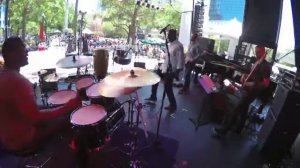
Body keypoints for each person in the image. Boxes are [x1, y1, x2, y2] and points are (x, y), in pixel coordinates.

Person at [0, 37, 82, 153]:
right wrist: (66, 108)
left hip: (8, 136)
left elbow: (28, 112)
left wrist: (56, 109)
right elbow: (35, 117)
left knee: (52, 109)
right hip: (21, 140)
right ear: (11, 54)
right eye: (23, 48)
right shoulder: (17, 81)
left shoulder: (3, 74)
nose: (27, 51)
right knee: (71, 118)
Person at [212, 45, 271, 137]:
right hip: (248, 90)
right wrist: (245, 76)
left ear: (264, 52)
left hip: (252, 92)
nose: (257, 54)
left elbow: (266, 83)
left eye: (258, 52)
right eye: (256, 52)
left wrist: (251, 84)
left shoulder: (266, 66)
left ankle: (224, 130)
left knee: (237, 109)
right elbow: (253, 75)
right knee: (244, 109)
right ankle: (239, 129)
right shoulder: (258, 62)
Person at [145, 29, 184, 111]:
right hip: (164, 67)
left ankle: (173, 105)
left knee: (168, 87)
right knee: (155, 78)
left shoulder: (179, 46)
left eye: (169, 35)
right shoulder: (170, 44)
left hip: (171, 70)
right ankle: (153, 96)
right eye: (167, 34)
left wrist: (176, 73)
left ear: (174, 35)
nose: (168, 36)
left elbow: (181, 60)